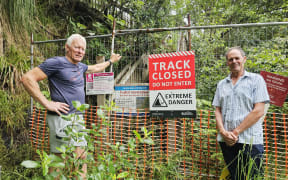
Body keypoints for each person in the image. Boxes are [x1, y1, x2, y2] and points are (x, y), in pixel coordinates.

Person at [21, 34, 122, 179]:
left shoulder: (80, 66)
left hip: (76, 118)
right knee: (68, 158)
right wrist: (47, 103)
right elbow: (27, 78)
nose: (80, 51)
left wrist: (110, 61)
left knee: (69, 158)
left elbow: (95, 68)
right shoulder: (56, 63)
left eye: (83, 49)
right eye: (77, 47)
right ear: (67, 48)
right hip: (62, 118)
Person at [212, 47, 270, 180]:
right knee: (235, 176)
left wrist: (235, 132)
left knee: (253, 176)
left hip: (250, 140)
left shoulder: (256, 80)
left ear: (244, 59)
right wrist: (223, 132)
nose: (234, 61)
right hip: (226, 141)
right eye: (230, 59)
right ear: (227, 63)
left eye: (237, 58)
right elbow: (218, 110)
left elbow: (259, 110)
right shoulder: (222, 84)